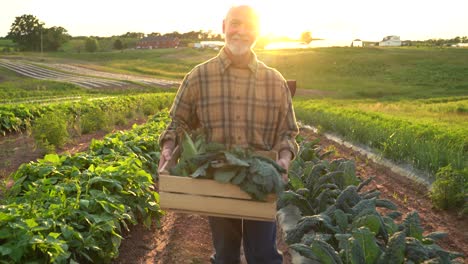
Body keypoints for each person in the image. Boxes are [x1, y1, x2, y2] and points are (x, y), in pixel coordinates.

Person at [158, 5, 299, 264]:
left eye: (249, 25)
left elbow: (287, 132)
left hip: (260, 181)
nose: (241, 31)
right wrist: (168, 147)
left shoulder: (274, 81)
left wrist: (285, 157)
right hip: (217, 178)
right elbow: (176, 123)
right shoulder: (198, 77)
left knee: (263, 255)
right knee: (225, 254)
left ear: (258, 31)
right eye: (235, 24)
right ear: (224, 27)